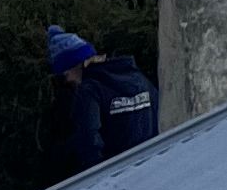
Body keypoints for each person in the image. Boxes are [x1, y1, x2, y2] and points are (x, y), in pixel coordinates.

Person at [44, 27, 159, 173]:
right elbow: (159, 116)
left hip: (116, 180)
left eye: (65, 74)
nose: (67, 81)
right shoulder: (138, 78)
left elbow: (88, 141)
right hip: (152, 169)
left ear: (76, 65)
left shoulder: (89, 91)